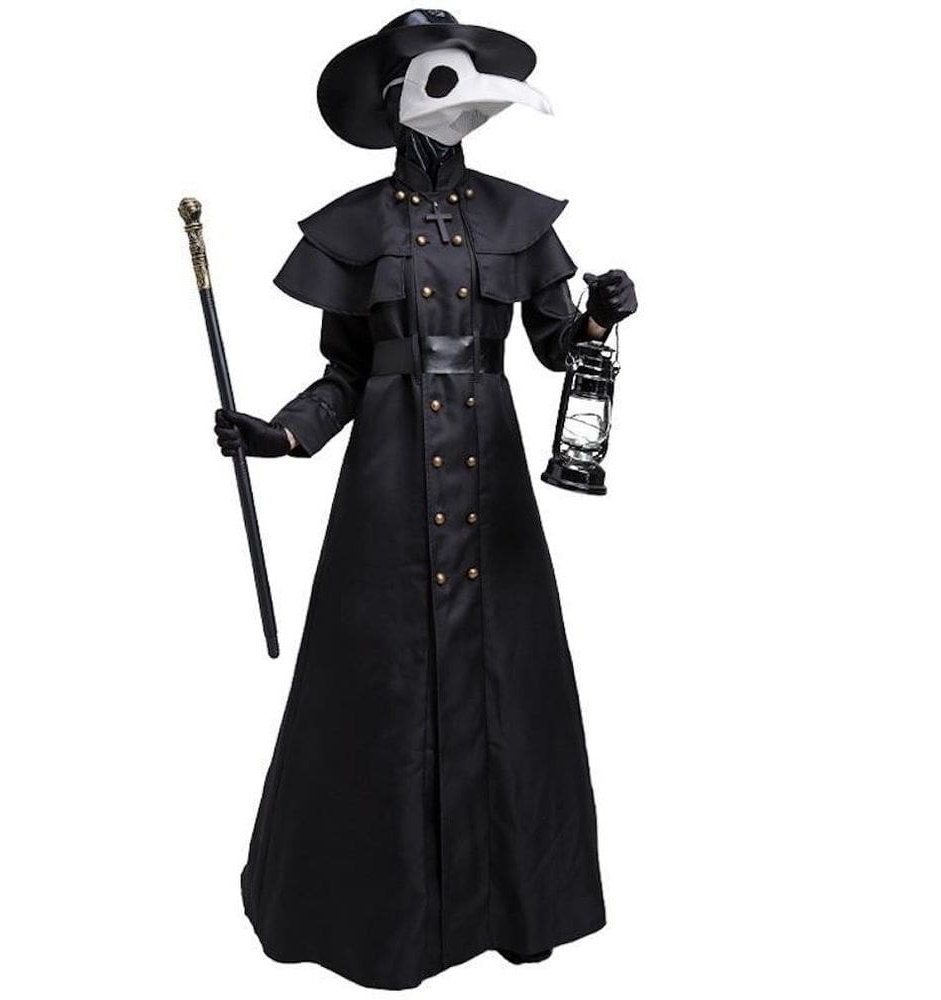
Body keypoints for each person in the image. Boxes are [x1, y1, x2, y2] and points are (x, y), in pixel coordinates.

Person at [214, 9, 638, 990]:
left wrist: (596, 317)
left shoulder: (519, 219)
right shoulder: (357, 225)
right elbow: (345, 373)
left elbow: (556, 346)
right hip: (387, 486)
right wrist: (283, 435)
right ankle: (379, 924)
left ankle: (515, 906)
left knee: (507, 674)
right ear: (395, 103)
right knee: (380, 682)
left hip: (492, 481)